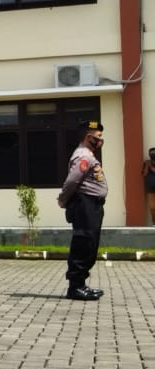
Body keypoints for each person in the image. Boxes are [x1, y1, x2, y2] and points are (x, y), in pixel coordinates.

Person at [58, 120, 107, 300]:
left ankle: (81, 285)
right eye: (98, 136)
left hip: (91, 204)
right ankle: (75, 287)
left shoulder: (88, 154)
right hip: (84, 204)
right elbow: (72, 181)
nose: (101, 140)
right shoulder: (83, 156)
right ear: (89, 137)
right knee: (83, 243)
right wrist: (63, 200)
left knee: (89, 244)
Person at [140, 148, 155, 225]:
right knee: (152, 207)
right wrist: (147, 165)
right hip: (150, 188)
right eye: (152, 154)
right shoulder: (147, 163)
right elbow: (144, 174)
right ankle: (154, 222)